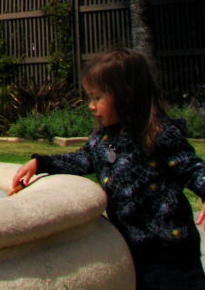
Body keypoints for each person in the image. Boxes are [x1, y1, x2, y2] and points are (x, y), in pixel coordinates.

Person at [13, 47, 205, 290]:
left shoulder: (158, 134)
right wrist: (41, 163)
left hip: (171, 255)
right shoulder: (103, 138)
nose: (91, 106)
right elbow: (82, 160)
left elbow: (192, 168)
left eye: (97, 97)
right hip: (132, 249)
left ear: (125, 96)